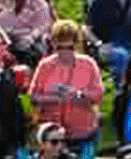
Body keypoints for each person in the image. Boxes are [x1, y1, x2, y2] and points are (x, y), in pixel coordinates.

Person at [31, 20, 104, 159]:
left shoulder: (88, 64)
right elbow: (34, 96)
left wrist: (78, 94)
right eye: (60, 48)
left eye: (69, 47)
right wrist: (53, 98)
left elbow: (98, 95)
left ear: (76, 45)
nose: (65, 52)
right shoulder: (45, 65)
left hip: (82, 134)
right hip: (53, 137)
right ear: (53, 45)